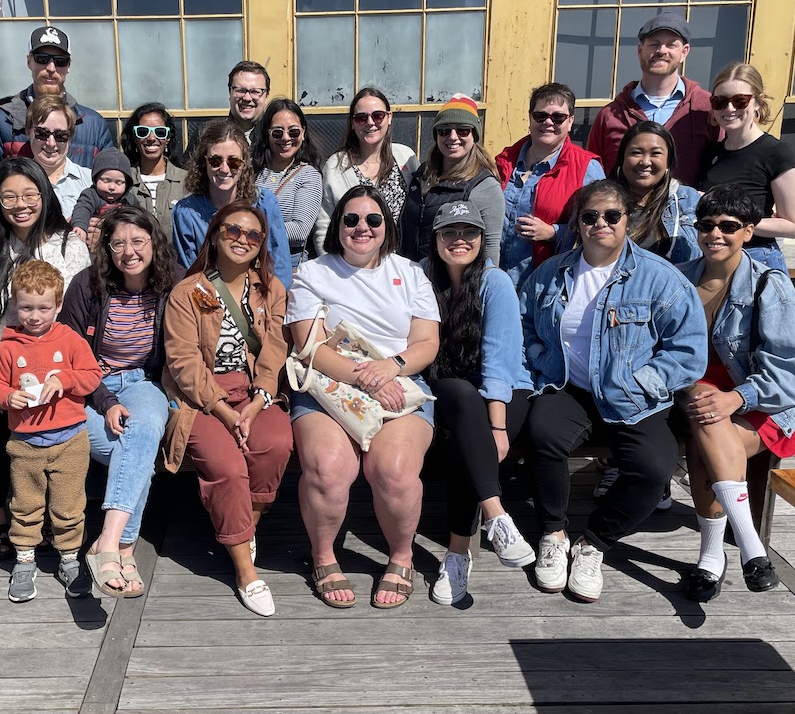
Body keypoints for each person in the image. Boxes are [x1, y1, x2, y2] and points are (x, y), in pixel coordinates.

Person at [520, 180, 705, 603]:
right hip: (571, 387)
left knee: (655, 469)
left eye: (611, 216)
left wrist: (643, 383)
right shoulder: (552, 272)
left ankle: (595, 543)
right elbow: (524, 319)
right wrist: (538, 355)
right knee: (543, 437)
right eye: (590, 216)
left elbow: (688, 350)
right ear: (577, 223)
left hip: (633, 397)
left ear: (628, 221)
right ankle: (553, 532)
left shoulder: (660, 279)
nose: (600, 224)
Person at [286, 186, 441, 610]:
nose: (362, 228)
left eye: (373, 220)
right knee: (329, 470)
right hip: (329, 388)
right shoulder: (313, 273)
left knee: (392, 471)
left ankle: (401, 555)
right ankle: (323, 556)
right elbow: (310, 347)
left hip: (399, 381)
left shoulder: (410, 273)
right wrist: (368, 378)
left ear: (386, 227)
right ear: (337, 226)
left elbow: (427, 342)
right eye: (350, 219)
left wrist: (390, 366)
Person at [0, 156, 90, 560]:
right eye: (9, 196)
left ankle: (44, 522)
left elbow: (76, 315)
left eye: (30, 194)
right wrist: (1, 381)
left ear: (44, 194)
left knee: (50, 441)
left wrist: (60, 372)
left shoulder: (68, 245)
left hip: (51, 365)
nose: (21, 204)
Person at [160, 200, 293, 617]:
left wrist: (256, 403)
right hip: (201, 398)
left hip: (252, 392)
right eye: (233, 231)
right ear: (216, 234)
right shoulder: (189, 292)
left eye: (253, 235)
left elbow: (273, 352)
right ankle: (246, 569)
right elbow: (183, 363)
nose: (242, 240)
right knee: (227, 467)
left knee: (275, 442)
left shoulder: (270, 289)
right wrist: (224, 411)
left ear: (261, 245)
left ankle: (243, 527)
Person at [677, 184, 795, 601]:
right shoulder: (680, 278)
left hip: (761, 400)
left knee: (707, 433)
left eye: (729, 226)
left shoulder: (770, 284)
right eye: (706, 225)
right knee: (703, 405)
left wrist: (736, 398)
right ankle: (752, 549)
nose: (715, 234)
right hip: (698, 396)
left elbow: (787, 373)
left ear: (748, 231)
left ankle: (712, 557)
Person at [60, 205, 178, 598]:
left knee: (142, 430)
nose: (129, 251)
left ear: (153, 242)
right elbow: (69, 353)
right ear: (106, 250)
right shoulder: (86, 285)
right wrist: (106, 400)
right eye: (118, 243)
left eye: (138, 240)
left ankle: (108, 543)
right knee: (136, 451)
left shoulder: (172, 282)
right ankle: (124, 548)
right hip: (90, 388)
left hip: (144, 381)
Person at [422, 201, 535, 606]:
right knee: (459, 397)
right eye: (449, 232)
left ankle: (457, 553)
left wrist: (499, 426)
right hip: (449, 388)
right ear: (435, 239)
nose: (459, 240)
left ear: (482, 239)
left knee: (467, 441)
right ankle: (495, 515)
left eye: (469, 232)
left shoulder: (494, 281)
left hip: (504, 390)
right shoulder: (421, 277)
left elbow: (500, 360)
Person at [0, 261, 102, 603]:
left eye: (43, 308)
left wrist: (63, 379)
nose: (34, 316)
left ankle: (69, 559)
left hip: (70, 440)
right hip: (25, 443)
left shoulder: (70, 340)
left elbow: (92, 376)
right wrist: (8, 396)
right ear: (14, 305)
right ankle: (24, 560)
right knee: (25, 505)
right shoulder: (8, 346)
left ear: (59, 305)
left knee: (69, 506)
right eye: (26, 307)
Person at [494, 82, 605, 289]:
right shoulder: (503, 162)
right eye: (540, 116)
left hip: (549, 285)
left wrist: (553, 232)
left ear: (570, 121)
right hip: (497, 282)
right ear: (530, 118)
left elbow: (600, 228)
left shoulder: (586, 168)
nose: (548, 122)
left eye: (558, 117)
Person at [587, 12, 718, 187]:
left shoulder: (707, 109)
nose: (662, 50)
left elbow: (723, 169)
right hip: (625, 212)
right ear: (640, 50)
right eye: (654, 44)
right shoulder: (610, 115)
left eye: (671, 45)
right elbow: (592, 177)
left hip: (687, 213)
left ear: (684, 52)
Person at [698, 62, 795, 273]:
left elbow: (793, 226)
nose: (729, 109)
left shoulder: (776, 153)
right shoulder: (712, 153)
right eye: (720, 102)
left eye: (740, 101)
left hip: (756, 261)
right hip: (713, 262)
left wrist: (732, 219)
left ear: (757, 102)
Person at [171, 119, 293, 288]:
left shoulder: (265, 203)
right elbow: (189, 273)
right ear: (203, 162)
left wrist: (274, 307)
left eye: (233, 162)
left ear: (244, 165)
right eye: (215, 161)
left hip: (257, 299)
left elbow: (279, 267)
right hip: (207, 301)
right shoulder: (186, 212)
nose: (224, 169)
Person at [0, 25, 114, 178]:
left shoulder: (93, 124)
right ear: (29, 61)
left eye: (60, 61)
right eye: (42, 59)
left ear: (68, 66)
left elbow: (109, 181)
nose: (51, 68)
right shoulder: (1, 121)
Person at [400, 94, 504, 265]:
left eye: (463, 130)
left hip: (451, 284)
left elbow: (490, 249)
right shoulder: (423, 174)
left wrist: (480, 286)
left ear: (474, 135)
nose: (453, 137)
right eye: (444, 130)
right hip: (410, 278)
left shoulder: (484, 186)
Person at [313, 86, 418, 255]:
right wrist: (332, 271)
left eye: (377, 116)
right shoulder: (336, 166)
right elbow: (324, 225)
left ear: (389, 117)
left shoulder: (406, 157)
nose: (370, 122)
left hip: (402, 265)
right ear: (352, 123)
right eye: (361, 118)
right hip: (353, 268)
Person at [610, 120, 701, 265]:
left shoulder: (687, 200)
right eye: (636, 153)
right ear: (622, 158)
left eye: (656, 153)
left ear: (668, 161)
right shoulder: (602, 200)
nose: (645, 162)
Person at [252, 98, 321, 265]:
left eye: (294, 132)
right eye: (277, 132)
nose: (285, 138)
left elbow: (300, 230)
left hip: (286, 263)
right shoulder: (252, 171)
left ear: (303, 133)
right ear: (267, 134)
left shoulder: (308, 175)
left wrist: (251, 231)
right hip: (249, 261)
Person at [120, 102, 188, 240]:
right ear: (134, 137)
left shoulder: (187, 182)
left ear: (168, 138)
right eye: (143, 132)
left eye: (160, 132)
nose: (151, 138)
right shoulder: (123, 181)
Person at [20, 95, 92, 221]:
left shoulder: (90, 181)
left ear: (70, 137)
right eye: (42, 134)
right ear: (28, 132)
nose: (51, 143)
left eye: (60, 135)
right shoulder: (15, 183)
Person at [70, 147, 141, 244]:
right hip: (93, 240)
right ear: (96, 179)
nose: (112, 187)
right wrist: (80, 226)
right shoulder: (91, 195)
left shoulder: (130, 200)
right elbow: (82, 209)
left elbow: (140, 217)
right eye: (106, 181)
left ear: (127, 184)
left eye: (119, 182)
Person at [226, 60, 270, 141]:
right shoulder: (209, 136)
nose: (247, 98)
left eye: (255, 91)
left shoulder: (275, 137)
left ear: (266, 96)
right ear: (230, 93)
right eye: (240, 90)